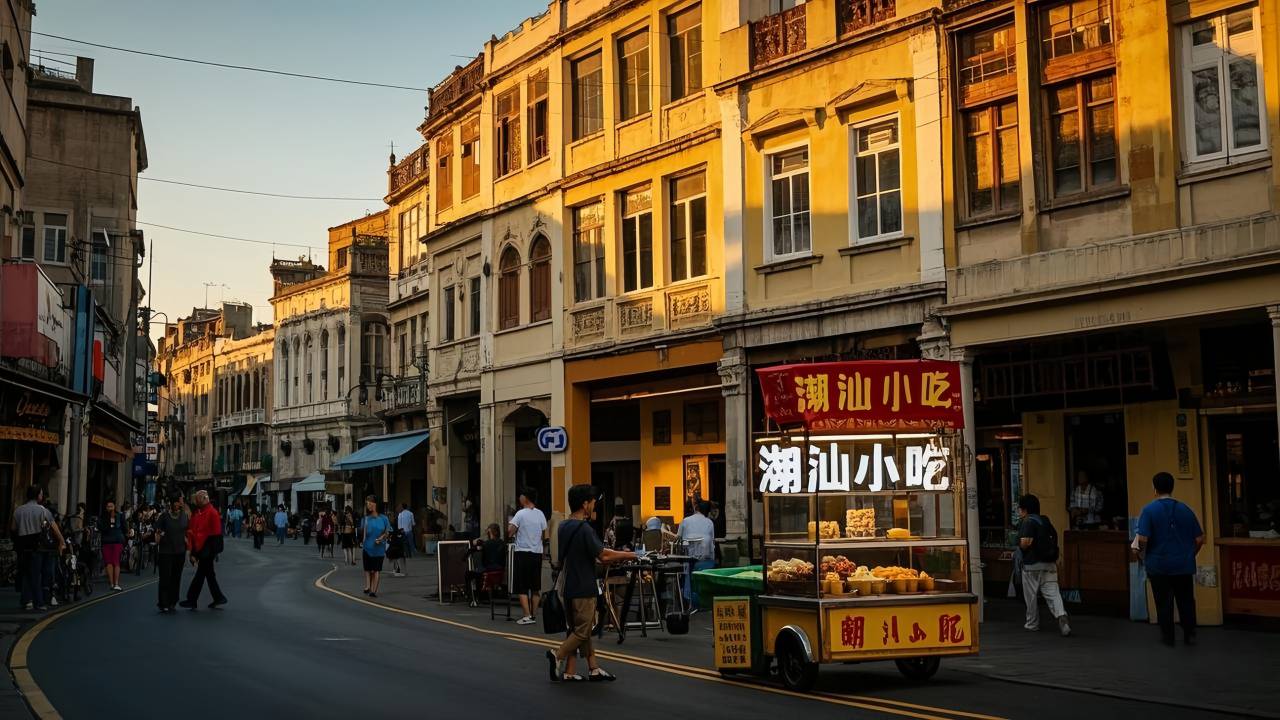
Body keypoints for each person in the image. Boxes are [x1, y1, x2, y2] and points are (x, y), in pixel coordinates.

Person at [545, 485, 635, 683]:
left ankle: (584, 670)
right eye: (593, 502)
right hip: (583, 585)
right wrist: (631, 554)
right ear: (585, 504)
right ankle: (557, 654)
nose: (594, 506)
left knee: (576, 629)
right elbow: (602, 555)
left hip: (567, 585)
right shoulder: (584, 528)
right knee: (583, 630)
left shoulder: (564, 526)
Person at [1136, 472, 1205, 647]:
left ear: (1154, 488)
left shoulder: (1149, 510)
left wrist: (1142, 556)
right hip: (1183, 564)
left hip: (1158, 564)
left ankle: (1168, 636)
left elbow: (1143, 539)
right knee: (1186, 600)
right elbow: (1199, 539)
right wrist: (1190, 554)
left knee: (1163, 601)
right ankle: (1190, 632)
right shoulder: (1185, 509)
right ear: (1172, 487)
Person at [1016, 494, 1071, 637]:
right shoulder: (1045, 520)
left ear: (1025, 510)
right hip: (1049, 563)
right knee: (1053, 593)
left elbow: (1025, 542)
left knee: (1031, 596)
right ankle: (1061, 615)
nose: (1019, 512)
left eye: (1020, 509)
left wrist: (1020, 547)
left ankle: (1032, 623)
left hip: (1031, 565)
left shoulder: (1027, 522)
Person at [12, 486, 64, 611]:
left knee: (26, 573)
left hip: (23, 545)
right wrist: (62, 542)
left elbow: (13, 529)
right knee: (37, 574)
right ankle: (39, 602)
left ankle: (27, 600)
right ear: (38, 496)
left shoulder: (18, 510)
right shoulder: (43, 511)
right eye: (41, 493)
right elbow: (54, 528)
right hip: (39, 545)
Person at [180, 490, 226, 610]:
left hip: (207, 549)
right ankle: (217, 597)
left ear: (202, 499)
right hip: (203, 548)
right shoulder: (201, 512)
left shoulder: (211, 513)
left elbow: (215, 535)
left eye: (197, 499)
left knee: (201, 575)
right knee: (208, 575)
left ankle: (192, 599)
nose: (196, 502)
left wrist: (211, 552)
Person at [508, 488, 548, 626]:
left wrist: (515, 530)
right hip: (537, 552)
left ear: (525, 498)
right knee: (535, 586)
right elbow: (544, 534)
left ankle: (526, 615)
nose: (519, 497)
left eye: (521, 495)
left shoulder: (520, 514)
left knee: (522, 586)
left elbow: (510, 531)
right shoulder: (540, 514)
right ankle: (533, 614)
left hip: (523, 552)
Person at [677, 500, 717, 607]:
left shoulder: (685, 521)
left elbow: (678, 539)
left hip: (688, 560)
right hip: (706, 561)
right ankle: (702, 601)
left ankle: (687, 599)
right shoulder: (709, 522)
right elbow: (712, 543)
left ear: (695, 508)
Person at [153, 494, 189, 613]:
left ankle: (173, 601)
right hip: (166, 551)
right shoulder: (164, 516)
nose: (181, 503)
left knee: (176, 577)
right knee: (165, 578)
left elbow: (187, 531)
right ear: (174, 503)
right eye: (180, 501)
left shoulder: (184, 515)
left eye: (182, 501)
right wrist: (159, 536)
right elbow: (157, 530)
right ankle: (163, 603)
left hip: (180, 551)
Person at [467, 523, 506, 607]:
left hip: (488, 569)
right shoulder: (503, 543)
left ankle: (473, 598)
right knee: (478, 572)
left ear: (490, 532)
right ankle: (479, 596)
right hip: (500, 570)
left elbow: (483, 559)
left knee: (470, 574)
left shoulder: (486, 544)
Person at [360, 496, 391, 598]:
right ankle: (368, 586)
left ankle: (373, 591)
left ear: (375, 504)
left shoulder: (384, 518)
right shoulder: (366, 519)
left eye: (370, 503)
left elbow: (387, 532)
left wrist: (381, 538)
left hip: (379, 548)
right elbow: (363, 534)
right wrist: (361, 542)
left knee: (376, 569)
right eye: (367, 504)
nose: (368, 505)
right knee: (368, 569)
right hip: (367, 548)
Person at [100, 499, 127, 592]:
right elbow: (101, 528)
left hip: (117, 541)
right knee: (108, 562)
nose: (110, 508)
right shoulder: (103, 517)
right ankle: (111, 583)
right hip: (106, 541)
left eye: (111, 506)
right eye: (108, 507)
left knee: (116, 561)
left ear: (114, 507)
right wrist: (109, 521)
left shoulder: (120, 516)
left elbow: (125, 528)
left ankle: (116, 583)